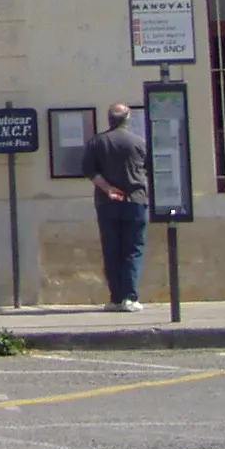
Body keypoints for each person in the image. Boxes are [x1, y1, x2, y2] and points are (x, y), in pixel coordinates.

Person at [81, 102, 149, 312]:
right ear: (127, 119)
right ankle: (130, 296)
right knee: (133, 250)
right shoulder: (139, 142)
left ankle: (115, 298)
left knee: (111, 250)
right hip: (135, 200)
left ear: (109, 119)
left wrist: (108, 188)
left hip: (106, 203)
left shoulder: (97, 142)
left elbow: (89, 171)